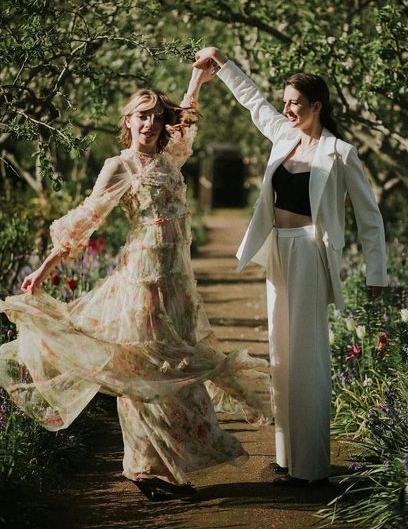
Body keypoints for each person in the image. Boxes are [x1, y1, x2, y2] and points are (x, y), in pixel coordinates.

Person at [0, 64, 270, 501]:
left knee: (177, 372)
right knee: (145, 372)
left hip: (177, 282)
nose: (149, 123)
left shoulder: (170, 157)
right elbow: (86, 221)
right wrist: (44, 267)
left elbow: (187, 117)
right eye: (140, 116)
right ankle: (143, 468)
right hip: (142, 282)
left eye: (155, 117)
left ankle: (159, 468)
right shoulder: (119, 166)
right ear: (127, 122)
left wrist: (198, 80)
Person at [194, 47, 388, 487]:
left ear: (317, 106)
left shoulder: (340, 153)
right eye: (286, 102)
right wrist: (222, 63)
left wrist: (377, 274)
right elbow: (253, 101)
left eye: (295, 103)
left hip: (310, 254)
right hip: (278, 252)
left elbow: (370, 216)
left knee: (308, 357)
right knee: (280, 355)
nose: (287, 108)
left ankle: (312, 467)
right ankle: (285, 460)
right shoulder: (282, 136)